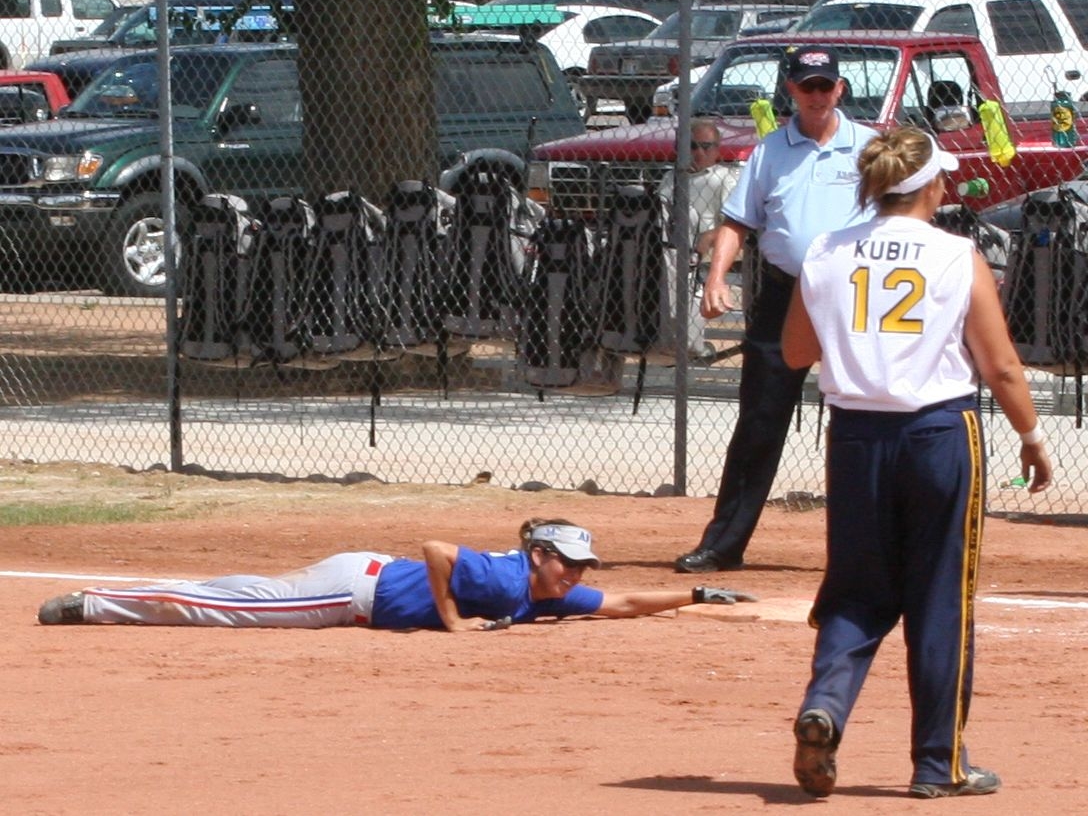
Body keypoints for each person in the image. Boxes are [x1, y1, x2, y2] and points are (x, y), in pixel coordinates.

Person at [780, 127, 1053, 799]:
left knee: (856, 588)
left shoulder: (825, 251)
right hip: (936, 433)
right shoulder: (957, 254)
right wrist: (1033, 435)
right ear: (930, 186)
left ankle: (826, 704)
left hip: (855, 438)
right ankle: (937, 762)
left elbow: (792, 352)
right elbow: (1001, 366)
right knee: (939, 597)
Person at [675, 45, 878, 573]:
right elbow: (737, 223)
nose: (816, 95)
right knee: (760, 421)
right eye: (806, 86)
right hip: (786, 295)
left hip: (853, 296)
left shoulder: (870, 148)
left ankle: (865, 550)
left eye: (825, 86)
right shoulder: (770, 151)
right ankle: (723, 545)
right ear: (791, 89)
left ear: (840, 90)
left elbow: (899, 216)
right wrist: (716, 279)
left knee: (864, 423)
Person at [37, 518, 756, 631]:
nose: (576, 574)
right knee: (232, 610)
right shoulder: (513, 580)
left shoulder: (544, 589)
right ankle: (95, 605)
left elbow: (624, 600)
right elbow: (438, 547)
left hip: (360, 581)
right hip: (355, 590)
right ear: (541, 553)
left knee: (238, 593)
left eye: (581, 566)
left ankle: (104, 601)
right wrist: (450, 620)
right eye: (568, 561)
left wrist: (693, 593)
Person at [658, 118, 739, 358]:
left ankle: (691, 341)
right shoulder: (672, 178)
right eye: (692, 146)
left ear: (717, 150)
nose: (699, 153)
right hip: (672, 247)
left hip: (704, 249)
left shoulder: (724, 178)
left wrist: (709, 238)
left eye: (706, 146)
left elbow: (733, 225)